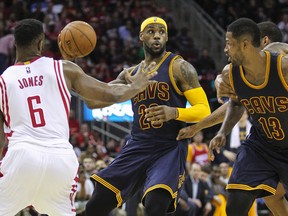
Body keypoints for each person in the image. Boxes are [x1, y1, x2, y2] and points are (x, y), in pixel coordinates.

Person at [0, 18, 157, 216]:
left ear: (15, 43)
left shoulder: (4, 80)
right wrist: (134, 87)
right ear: (41, 43)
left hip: (22, 158)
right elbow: (105, 93)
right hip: (60, 159)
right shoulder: (63, 68)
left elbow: (0, 137)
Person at [85, 16, 211, 216]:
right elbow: (93, 102)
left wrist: (174, 112)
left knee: (155, 204)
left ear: (167, 37)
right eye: (151, 31)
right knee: (95, 205)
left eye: (161, 32)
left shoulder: (180, 67)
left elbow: (204, 110)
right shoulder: (131, 74)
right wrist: (77, 80)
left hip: (169, 146)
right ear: (141, 36)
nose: (157, 36)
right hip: (138, 144)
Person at [176, 21, 288, 215]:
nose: (225, 49)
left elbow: (278, 49)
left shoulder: (282, 67)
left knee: (274, 195)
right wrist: (220, 131)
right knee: (237, 201)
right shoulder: (232, 73)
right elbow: (235, 103)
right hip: (262, 145)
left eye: (229, 43)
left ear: (252, 43)